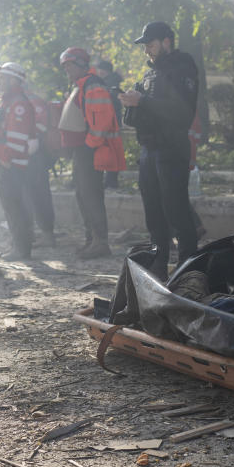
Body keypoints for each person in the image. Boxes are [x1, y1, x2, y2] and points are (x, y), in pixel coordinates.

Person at [121, 22, 200, 280]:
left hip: (171, 149)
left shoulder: (182, 68)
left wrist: (143, 101)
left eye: (151, 45)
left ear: (167, 41)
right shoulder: (149, 74)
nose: (148, 51)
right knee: (153, 212)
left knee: (176, 210)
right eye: (145, 46)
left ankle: (188, 268)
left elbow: (181, 113)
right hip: (149, 149)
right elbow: (142, 116)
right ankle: (158, 266)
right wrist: (131, 105)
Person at [57, 47, 126, 259]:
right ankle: (92, 240)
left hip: (90, 150)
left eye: (69, 65)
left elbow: (103, 119)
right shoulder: (81, 85)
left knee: (91, 195)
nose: (66, 69)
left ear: (80, 65)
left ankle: (100, 242)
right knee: (83, 195)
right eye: (65, 66)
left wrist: (90, 144)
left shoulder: (92, 85)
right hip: (83, 149)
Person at [0, 63, 39, 260]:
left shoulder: (18, 104)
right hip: (5, 163)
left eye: (2, 78)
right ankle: (17, 245)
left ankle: (21, 249)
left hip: (12, 165)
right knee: (11, 207)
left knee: (15, 207)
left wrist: (7, 160)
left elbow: (18, 136)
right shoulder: (8, 102)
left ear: (13, 80)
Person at [17, 70, 57, 248]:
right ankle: (30, 233)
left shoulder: (33, 101)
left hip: (35, 155)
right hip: (22, 154)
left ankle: (47, 235)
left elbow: (39, 127)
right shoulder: (19, 101)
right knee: (25, 196)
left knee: (39, 195)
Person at [95, 59, 124, 190]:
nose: (99, 72)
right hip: (111, 124)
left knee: (110, 153)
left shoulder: (110, 84)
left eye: (101, 69)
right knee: (110, 153)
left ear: (105, 71)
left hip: (110, 124)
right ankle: (109, 182)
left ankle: (110, 182)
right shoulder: (110, 82)